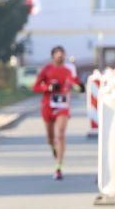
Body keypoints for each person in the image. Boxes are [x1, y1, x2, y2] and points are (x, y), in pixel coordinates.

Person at [32, 45, 83, 180]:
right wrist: (48, 87)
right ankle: (54, 148)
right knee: (50, 138)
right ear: (53, 56)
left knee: (60, 134)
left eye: (62, 55)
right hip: (48, 106)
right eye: (58, 55)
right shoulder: (47, 69)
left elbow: (76, 83)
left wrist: (79, 86)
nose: (60, 57)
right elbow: (35, 87)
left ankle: (58, 167)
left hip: (62, 107)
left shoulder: (68, 70)